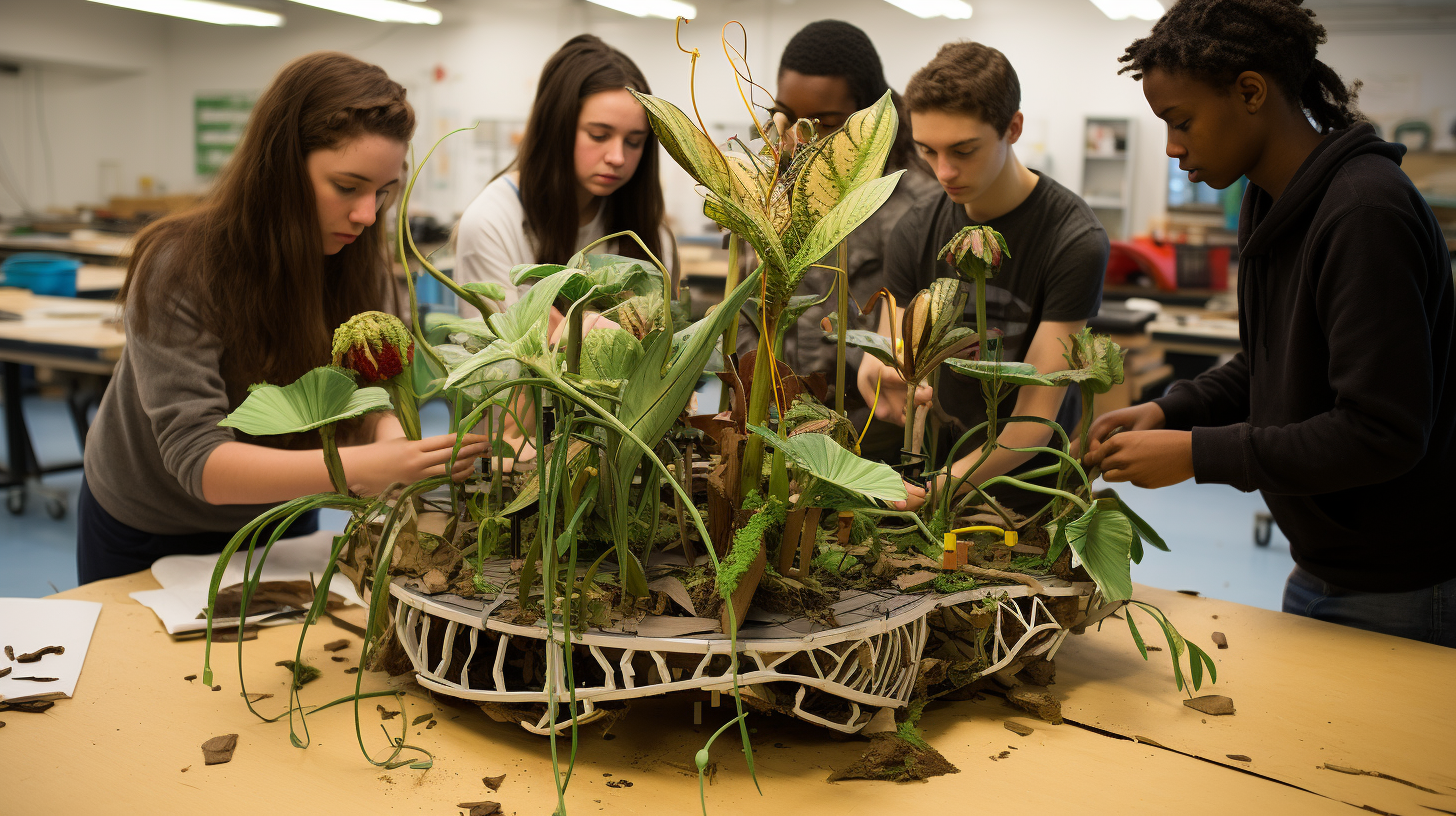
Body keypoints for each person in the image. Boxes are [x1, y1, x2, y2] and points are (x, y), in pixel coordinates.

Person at [1086, 0, 1455, 646]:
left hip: (1401, 584)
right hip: (1322, 564)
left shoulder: (1364, 210)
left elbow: (1382, 432)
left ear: (1250, 91)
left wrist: (1200, 454)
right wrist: (1171, 413)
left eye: (1182, 121)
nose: (1173, 148)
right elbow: (1268, 364)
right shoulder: (1269, 199)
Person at [78, 52, 487, 584]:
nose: (367, 215)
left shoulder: (363, 269)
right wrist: (365, 468)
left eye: (384, 192)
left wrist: (389, 438)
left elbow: (364, 396)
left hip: (281, 511)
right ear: (280, 168)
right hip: (151, 524)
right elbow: (198, 460)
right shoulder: (180, 265)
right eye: (347, 187)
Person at [859, 42, 1109, 510]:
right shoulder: (915, 230)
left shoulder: (1073, 240)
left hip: (1035, 490)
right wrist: (876, 373)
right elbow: (893, 344)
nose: (944, 171)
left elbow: (1034, 421)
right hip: (938, 469)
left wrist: (941, 488)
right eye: (927, 151)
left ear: (1012, 128)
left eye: (964, 150)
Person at [738, 20, 939, 412]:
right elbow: (747, 308)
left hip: (865, 425)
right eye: (788, 118)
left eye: (826, 124)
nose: (801, 139)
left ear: (867, 119)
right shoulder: (770, 188)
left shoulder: (916, 206)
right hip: (772, 417)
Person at [453, 34, 677, 321]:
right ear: (556, 126)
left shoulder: (650, 235)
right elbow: (501, 354)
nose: (617, 157)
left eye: (634, 141)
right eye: (599, 135)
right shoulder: (490, 222)